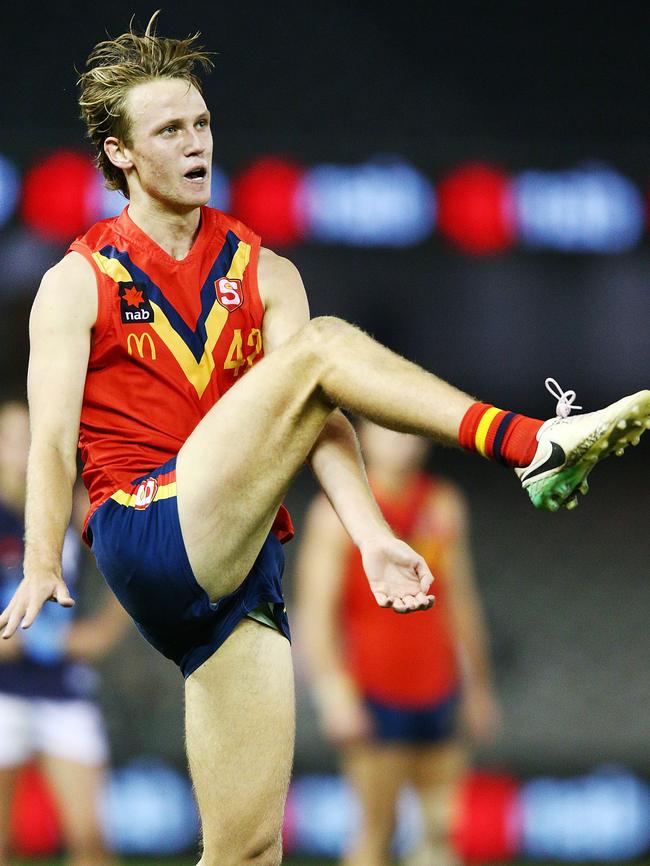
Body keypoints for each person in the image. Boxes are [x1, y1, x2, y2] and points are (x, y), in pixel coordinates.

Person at [0, 14, 647, 866]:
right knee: (325, 347)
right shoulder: (77, 282)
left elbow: (321, 421)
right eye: (169, 130)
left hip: (237, 568)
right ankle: (531, 442)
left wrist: (375, 537)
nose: (196, 142)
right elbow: (49, 440)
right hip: (147, 524)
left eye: (201, 122)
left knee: (249, 850)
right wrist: (43, 557)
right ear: (120, 155)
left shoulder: (264, 271)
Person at [295, 421, 499, 866]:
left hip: (437, 687)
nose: (402, 443)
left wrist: (478, 685)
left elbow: (459, 600)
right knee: (375, 832)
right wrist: (333, 695)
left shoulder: (441, 504)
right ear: (363, 437)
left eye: (409, 433)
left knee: (441, 832)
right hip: (374, 693)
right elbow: (316, 613)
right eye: (389, 432)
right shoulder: (334, 516)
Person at [0, 401, 128, 866]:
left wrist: (102, 633)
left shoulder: (74, 511)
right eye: (12, 441)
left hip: (63, 686)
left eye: (33, 440)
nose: (23, 453)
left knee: (91, 840)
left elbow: (132, 570)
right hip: (3, 690)